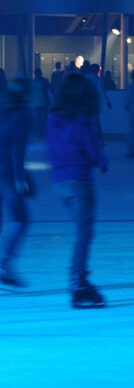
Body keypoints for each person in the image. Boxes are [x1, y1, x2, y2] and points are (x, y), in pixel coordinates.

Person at [47, 73, 108, 308]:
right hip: (79, 180)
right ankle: (78, 280)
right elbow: (90, 146)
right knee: (84, 233)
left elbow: (51, 146)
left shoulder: (53, 117)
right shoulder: (82, 118)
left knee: (81, 231)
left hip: (59, 182)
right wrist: (102, 161)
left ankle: (79, 277)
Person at [0, 78, 33, 287]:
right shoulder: (24, 115)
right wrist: (20, 177)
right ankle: (6, 264)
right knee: (21, 219)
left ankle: (5, 264)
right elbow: (18, 148)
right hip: (6, 175)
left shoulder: (3, 112)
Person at [32, 68, 53, 139]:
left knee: (41, 118)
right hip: (40, 102)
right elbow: (51, 89)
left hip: (40, 102)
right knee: (42, 118)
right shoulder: (43, 81)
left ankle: (41, 133)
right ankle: (42, 133)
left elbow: (50, 89)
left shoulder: (35, 81)